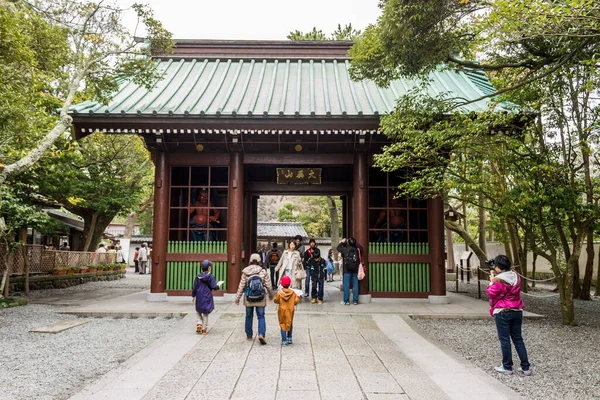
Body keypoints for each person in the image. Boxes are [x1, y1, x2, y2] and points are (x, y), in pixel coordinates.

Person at [487, 255, 531, 376]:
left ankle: (507, 366)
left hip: (502, 312)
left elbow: (492, 293)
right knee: (518, 339)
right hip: (517, 310)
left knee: (505, 340)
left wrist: (492, 281)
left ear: (498, 268)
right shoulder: (516, 276)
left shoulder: (498, 279)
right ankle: (525, 367)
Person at [234, 253, 274, 344]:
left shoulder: (245, 272)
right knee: (261, 316)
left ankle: (249, 335)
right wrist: (271, 295)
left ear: (250, 261)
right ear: (260, 261)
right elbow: (268, 285)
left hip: (249, 298)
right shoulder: (263, 272)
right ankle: (261, 334)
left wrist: (237, 298)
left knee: (249, 316)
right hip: (260, 297)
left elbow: (241, 286)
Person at [192, 260, 221, 335]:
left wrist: (193, 296)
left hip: (199, 295)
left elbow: (194, 287)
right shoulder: (211, 277)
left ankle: (199, 323)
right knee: (205, 312)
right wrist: (218, 286)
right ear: (209, 268)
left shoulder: (198, 276)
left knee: (198, 310)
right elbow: (214, 287)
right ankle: (204, 329)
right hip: (207, 295)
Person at [337, 237, 364, 305]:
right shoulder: (357, 250)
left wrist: (342, 242)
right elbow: (361, 248)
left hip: (347, 270)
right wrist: (355, 243)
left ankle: (346, 301)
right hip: (355, 270)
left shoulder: (345, 250)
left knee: (346, 285)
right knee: (355, 285)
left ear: (348, 243)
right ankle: (355, 301)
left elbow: (338, 248)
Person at [274, 275, 299, 347]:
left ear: (281, 284)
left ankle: (284, 340)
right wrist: (297, 297)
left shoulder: (279, 293)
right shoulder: (293, 292)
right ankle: (289, 338)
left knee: (282, 324)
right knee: (289, 322)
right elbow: (296, 301)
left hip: (282, 310)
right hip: (290, 310)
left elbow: (276, 300)